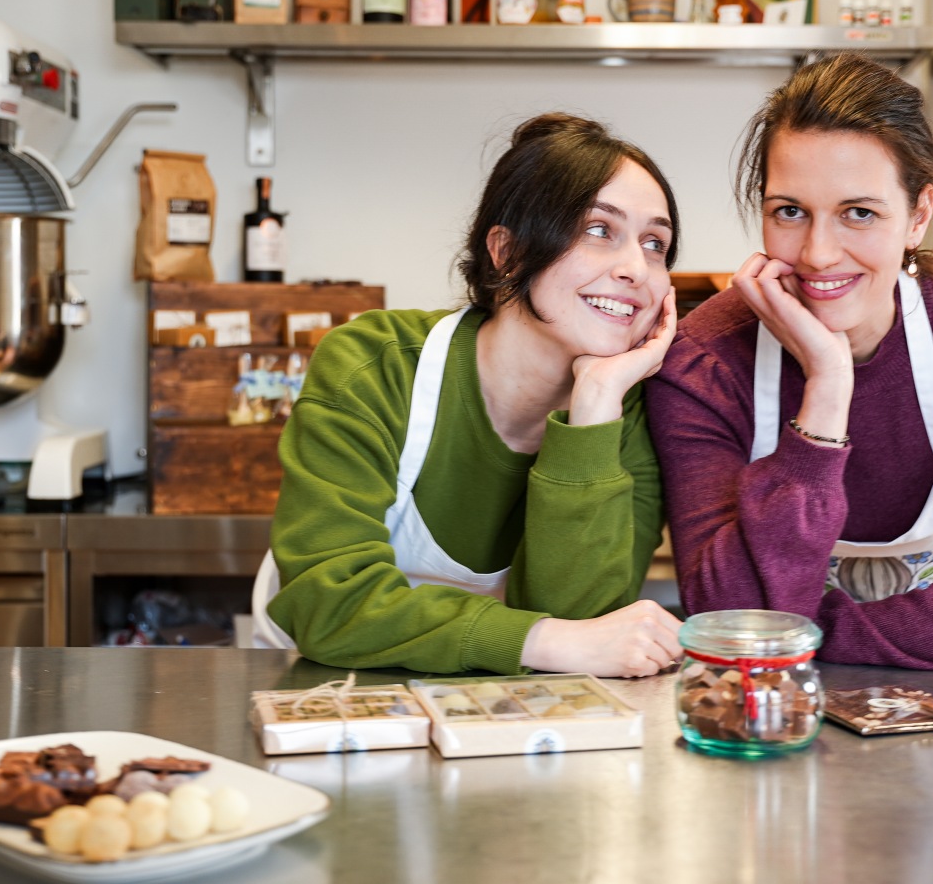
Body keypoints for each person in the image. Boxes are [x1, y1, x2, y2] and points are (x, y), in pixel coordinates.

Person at [645, 54, 933, 673]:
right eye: (789, 211)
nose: (818, 254)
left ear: (917, 216)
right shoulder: (704, 361)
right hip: (769, 715)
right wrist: (827, 385)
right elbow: (724, 615)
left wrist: (795, 630)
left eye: (859, 213)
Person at [257, 113, 684, 677]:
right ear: (506, 253)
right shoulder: (377, 366)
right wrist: (548, 643)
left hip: (514, 716)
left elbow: (587, 624)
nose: (637, 269)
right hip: (330, 689)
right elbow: (330, 605)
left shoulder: (629, 415)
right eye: (599, 230)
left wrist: (596, 404)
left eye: (656, 244)